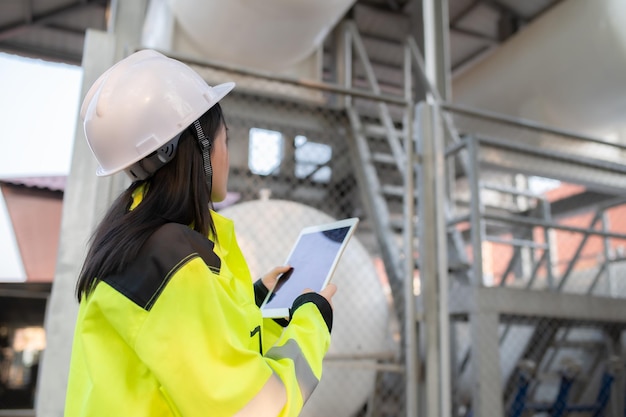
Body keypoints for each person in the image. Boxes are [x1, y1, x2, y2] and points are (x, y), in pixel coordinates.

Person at [64, 49, 336, 417]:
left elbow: (183, 358)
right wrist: (313, 319)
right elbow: (258, 408)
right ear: (200, 146)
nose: (227, 150)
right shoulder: (171, 262)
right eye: (225, 137)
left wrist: (256, 302)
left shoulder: (134, 240)